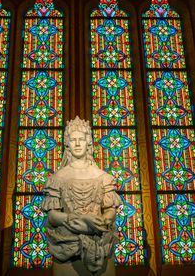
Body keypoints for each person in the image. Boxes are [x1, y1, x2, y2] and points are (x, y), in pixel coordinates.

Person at [42, 116, 121, 275]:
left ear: (89, 142)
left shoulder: (103, 177)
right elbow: (52, 216)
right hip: (65, 246)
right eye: (73, 140)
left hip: (100, 243)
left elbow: (110, 210)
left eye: (81, 139)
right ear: (67, 144)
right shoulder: (58, 178)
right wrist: (78, 219)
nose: (77, 144)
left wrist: (104, 220)